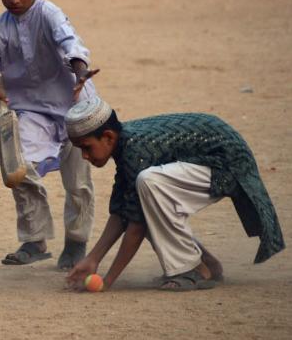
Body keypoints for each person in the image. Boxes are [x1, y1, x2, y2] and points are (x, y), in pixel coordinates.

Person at [64, 97, 285, 291]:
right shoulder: (125, 146)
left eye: (87, 147)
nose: (84, 156)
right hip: (211, 161)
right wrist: (92, 259)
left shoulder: (135, 150)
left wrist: (108, 280)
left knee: (148, 184)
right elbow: (123, 212)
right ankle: (206, 263)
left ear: (109, 137)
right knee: (144, 198)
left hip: (227, 165)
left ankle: (193, 269)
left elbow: (136, 227)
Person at [0, 0, 99, 270]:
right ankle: (35, 237)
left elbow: (72, 44)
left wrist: (80, 71)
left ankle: (76, 241)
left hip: (74, 105)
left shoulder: (50, 14)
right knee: (16, 166)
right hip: (31, 112)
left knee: (77, 181)